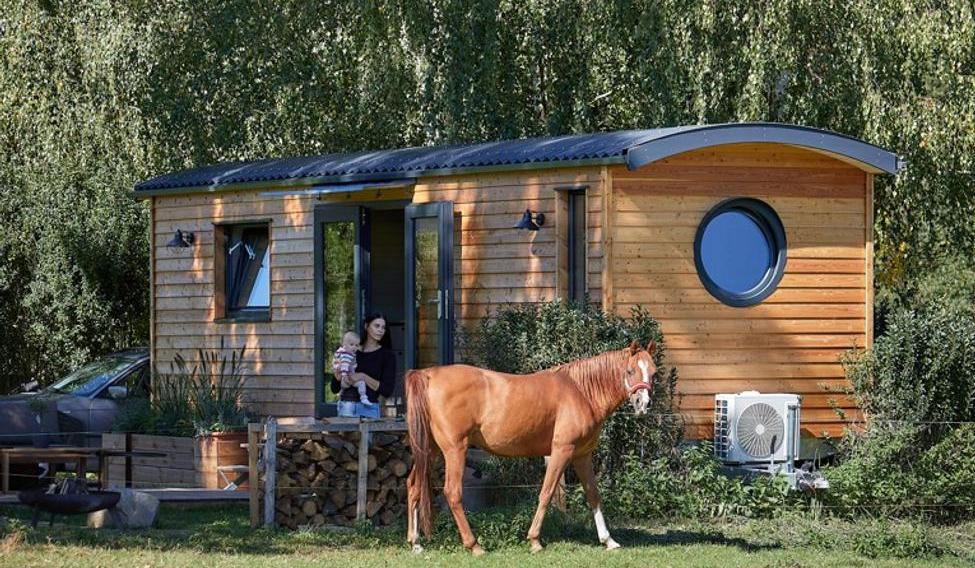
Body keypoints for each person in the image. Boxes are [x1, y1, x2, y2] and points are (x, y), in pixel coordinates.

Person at [330, 312, 397, 419]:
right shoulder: (351, 350)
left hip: (369, 410)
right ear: (366, 326)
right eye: (377, 326)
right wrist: (337, 377)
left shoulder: (387, 355)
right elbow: (334, 389)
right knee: (343, 436)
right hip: (346, 407)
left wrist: (362, 376)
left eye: (383, 327)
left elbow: (387, 390)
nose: (380, 330)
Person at [331, 331, 373, 407]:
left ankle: (361, 397)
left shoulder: (351, 355)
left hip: (348, 383)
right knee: (360, 383)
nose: (354, 347)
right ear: (344, 345)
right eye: (351, 345)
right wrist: (342, 376)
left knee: (360, 383)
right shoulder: (346, 355)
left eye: (356, 345)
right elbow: (343, 367)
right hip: (346, 384)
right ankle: (362, 397)